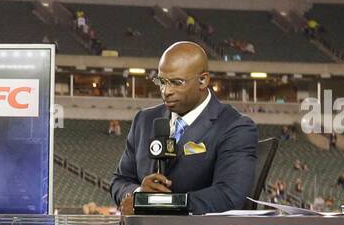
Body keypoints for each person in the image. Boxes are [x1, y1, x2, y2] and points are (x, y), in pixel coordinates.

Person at [109, 41, 257, 215]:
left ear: (203, 80)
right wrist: (139, 194)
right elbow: (120, 181)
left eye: (176, 82)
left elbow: (229, 196)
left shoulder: (235, 127)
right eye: (162, 81)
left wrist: (156, 205)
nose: (166, 91)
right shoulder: (144, 120)